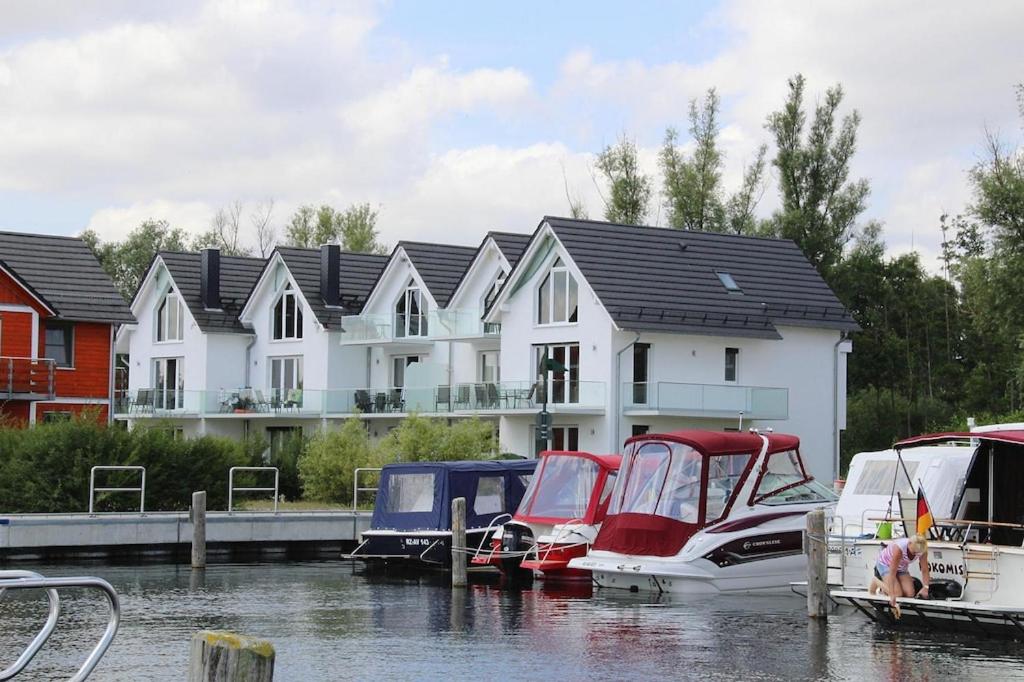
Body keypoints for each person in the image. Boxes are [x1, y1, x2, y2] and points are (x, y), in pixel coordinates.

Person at [869, 534, 931, 606]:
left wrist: (926, 587)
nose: (915, 554)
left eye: (917, 552)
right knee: (897, 594)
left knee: (910, 594)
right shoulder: (900, 548)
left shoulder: (922, 550)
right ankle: (876, 581)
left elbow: (925, 570)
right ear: (909, 544)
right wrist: (892, 595)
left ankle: (886, 589)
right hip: (886, 564)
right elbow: (892, 572)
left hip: (901, 567)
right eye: (914, 552)